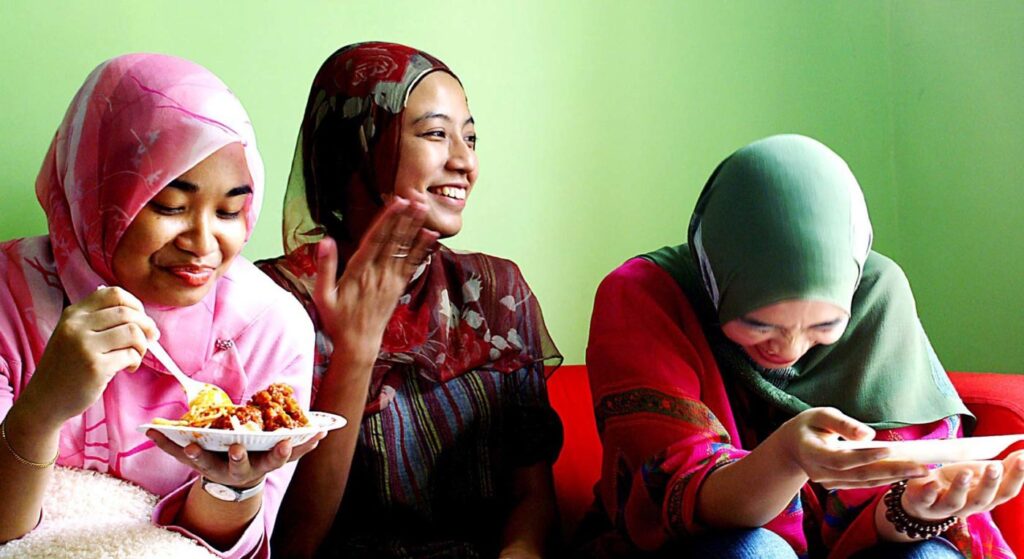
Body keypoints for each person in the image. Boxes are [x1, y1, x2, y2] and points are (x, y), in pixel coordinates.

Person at [581, 135, 1024, 558]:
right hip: (706, 540)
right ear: (715, 278)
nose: (789, 348)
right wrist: (786, 458)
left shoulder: (877, 294)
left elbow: (899, 489)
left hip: (861, 544)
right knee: (752, 551)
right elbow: (667, 496)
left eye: (825, 325)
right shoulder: (646, 294)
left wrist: (913, 509)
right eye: (759, 324)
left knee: (927, 554)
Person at [0, 53, 321, 558]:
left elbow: (225, 549)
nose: (202, 241)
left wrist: (232, 486)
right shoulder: (9, 295)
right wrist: (43, 410)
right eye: (170, 206)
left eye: (230, 210)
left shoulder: (268, 328)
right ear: (99, 189)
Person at [258, 42, 563, 559]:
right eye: (437, 134)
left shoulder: (495, 292)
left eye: (471, 137)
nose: (465, 162)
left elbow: (531, 498)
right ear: (358, 143)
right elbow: (289, 542)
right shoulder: (270, 306)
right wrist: (355, 352)